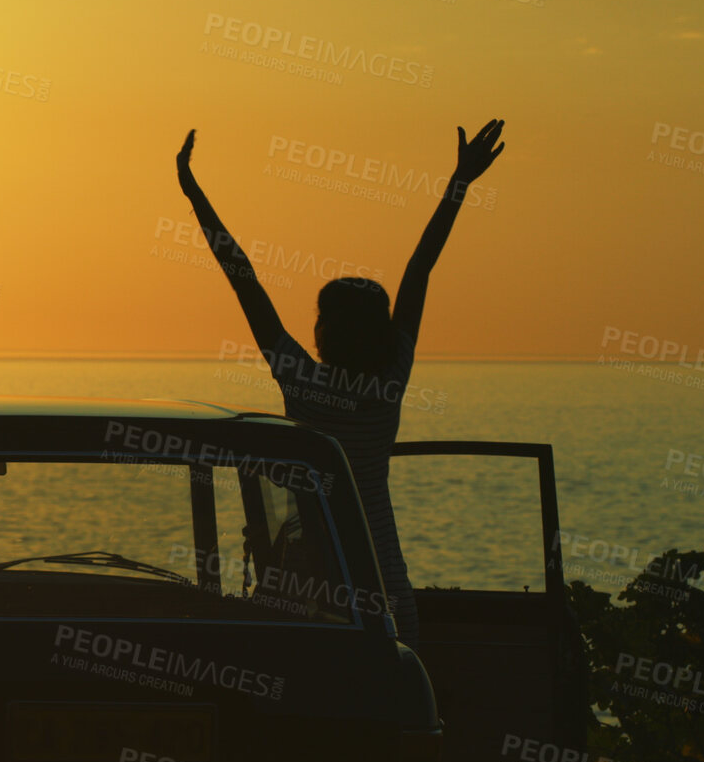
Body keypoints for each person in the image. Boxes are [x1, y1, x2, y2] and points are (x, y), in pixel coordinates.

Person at [174, 120, 507, 646]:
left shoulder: (301, 378)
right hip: (384, 583)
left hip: (308, 586)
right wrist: (459, 182)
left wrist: (192, 191)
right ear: (381, 330)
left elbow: (242, 275)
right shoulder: (392, 378)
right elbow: (421, 267)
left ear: (323, 331)